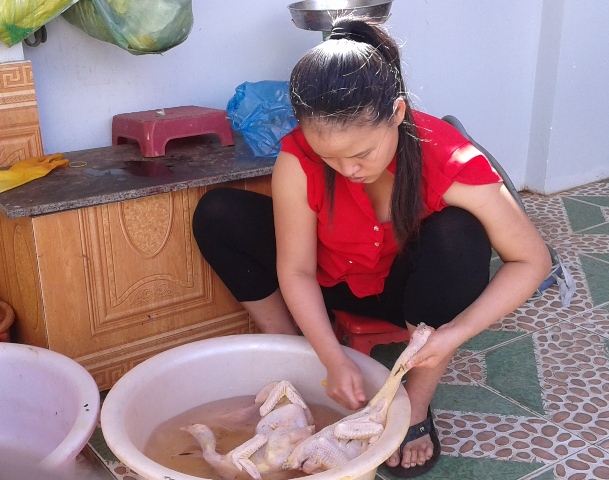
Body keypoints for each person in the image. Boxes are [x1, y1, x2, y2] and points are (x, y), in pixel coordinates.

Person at [192, 16, 551, 478]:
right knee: (219, 213)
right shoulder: (298, 158)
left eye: (362, 153)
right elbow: (297, 270)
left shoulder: (450, 159)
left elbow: (531, 261)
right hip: (331, 281)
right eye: (330, 157)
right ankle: (293, 363)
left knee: (459, 233)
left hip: (410, 296)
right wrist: (330, 358)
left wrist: (453, 335)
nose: (348, 170)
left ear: (397, 114)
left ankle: (414, 406)